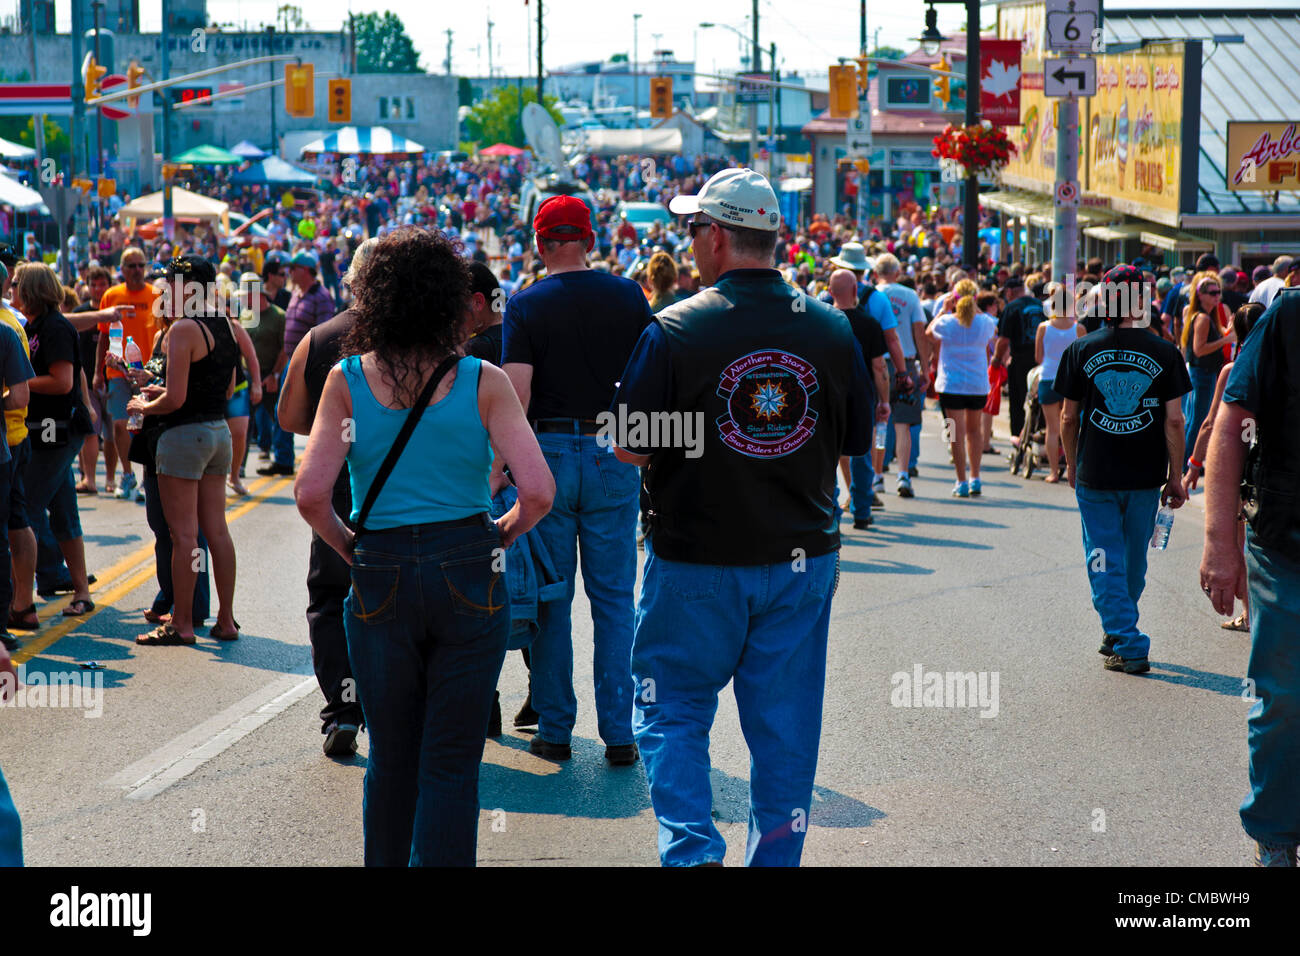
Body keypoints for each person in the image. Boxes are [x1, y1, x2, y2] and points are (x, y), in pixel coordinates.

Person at [612, 167, 873, 866]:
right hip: (800, 557)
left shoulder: (673, 328)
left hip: (695, 556)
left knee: (671, 714)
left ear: (719, 237)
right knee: (786, 736)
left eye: (695, 229)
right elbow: (853, 445)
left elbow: (629, 443)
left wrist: (695, 432)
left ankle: (693, 854)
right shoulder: (830, 329)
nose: (691, 242)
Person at [293, 226, 553, 866]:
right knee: (452, 760)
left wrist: (351, 547)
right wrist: (500, 533)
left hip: (380, 563)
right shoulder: (482, 380)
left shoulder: (348, 379)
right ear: (448, 298)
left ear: (374, 298)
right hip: (468, 560)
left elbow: (310, 494)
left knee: (392, 753)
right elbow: (539, 491)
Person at [501, 195, 650, 765]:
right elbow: (647, 377)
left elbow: (517, 395)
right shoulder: (629, 295)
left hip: (550, 452)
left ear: (541, 244)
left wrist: (501, 467)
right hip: (615, 446)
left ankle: (556, 727)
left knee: (553, 597)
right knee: (614, 601)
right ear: (590, 240)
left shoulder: (527, 304)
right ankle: (620, 733)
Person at [1200, 288, 1300, 866]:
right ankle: (1277, 836)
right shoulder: (1288, 318)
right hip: (1288, 541)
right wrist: (1220, 543)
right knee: (1287, 695)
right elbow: (1232, 423)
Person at [1054, 265, 1191, 674]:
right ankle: (1120, 629)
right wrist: (1175, 474)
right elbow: (1175, 420)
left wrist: (1070, 461)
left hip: (1096, 470)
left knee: (1102, 557)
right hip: (1145, 474)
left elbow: (1066, 417)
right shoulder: (1166, 351)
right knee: (1132, 561)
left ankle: (1126, 640)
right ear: (1143, 302)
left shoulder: (1080, 350)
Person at [277, 237, 377, 758]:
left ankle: (342, 708)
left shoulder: (319, 338)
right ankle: (393, 708)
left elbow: (290, 419)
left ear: (351, 281)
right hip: (404, 488)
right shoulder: (420, 339)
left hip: (338, 486)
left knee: (331, 597)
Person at [127, 256, 240, 646]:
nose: (165, 291)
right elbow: (224, 390)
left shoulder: (183, 329)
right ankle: (226, 620)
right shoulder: (227, 323)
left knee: (184, 537)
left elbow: (174, 400)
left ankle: (183, 624)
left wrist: (145, 404)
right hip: (217, 433)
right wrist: (167, 395)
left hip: (184, 438)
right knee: (217, 531)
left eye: (171, 284)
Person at [10, 263, 96, 618]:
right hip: (47, 428)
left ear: (32, 289)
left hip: (57, 428)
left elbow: (63, 382)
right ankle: (81, 591)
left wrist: (16, 383)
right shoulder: (35, 326)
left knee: (25, 511)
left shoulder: (56, 327)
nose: (11, 288)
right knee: (63, 513)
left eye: (16, 283)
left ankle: (21, 602)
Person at [1184, 302, 1264, 633]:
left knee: (1241, 538)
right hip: (1271, 469)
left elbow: (1209, 425)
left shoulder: (1233, 370)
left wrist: (1193, 466)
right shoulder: (1279, 366)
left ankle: (1249, 614)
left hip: (1238, 469)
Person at [261, 251, 334, 477]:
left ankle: (315, 461)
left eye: (293, 269)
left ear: (305, 270)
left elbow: (325, 332)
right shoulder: (296, 293)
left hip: (308, 362)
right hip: (290, 360)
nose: (289, 273)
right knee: (282, 409)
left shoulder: (320, 296)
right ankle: (283, 459)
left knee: (308, 412)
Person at [96, 247, 159, 502]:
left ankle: (147, 476)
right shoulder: (112, 295)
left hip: (148, 372)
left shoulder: (156, 294)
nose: (137, 270)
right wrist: (98, 372)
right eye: (131, 265)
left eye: (140, 265)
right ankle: (127, 474)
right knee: (121, 425)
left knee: (145, 426)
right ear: (122, 269)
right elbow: (102, 334)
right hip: (118, 371)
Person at [829, 268, 890, 529]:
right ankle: (862, 511)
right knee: (862, 453)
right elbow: (879, 367)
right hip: (861, 396)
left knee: (827, 456)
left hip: (828, 395)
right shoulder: (869, 324)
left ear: (830, 292)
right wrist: (884, 401)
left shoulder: (822, 321)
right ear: (856, 291)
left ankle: (830, 511)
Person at [927, 279, 997, 497]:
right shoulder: (985, 321)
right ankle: (975, 477)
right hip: (976, 384)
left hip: (951, 385)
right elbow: (991, 333)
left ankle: (961, 480)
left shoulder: (947, 321)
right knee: (974, 432)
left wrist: (944, 309)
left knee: (955, 433)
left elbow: (929, 333)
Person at [874, 253, 932, 496]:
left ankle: (877, 476)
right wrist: (925, 368)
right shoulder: (909, 296)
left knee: (878, 422)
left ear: (877, 273)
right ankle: (903, 475)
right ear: (897, 273)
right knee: (903, 425)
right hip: (905, 364)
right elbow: (920, 332)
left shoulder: (872, 295)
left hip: (878, 364)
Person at [0, 309, 33, 652]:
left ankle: (22, 605)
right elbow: (21, 396)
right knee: (7, 530)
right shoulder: (9, 328)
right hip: (7, 445)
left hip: (10, 441)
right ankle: (12, 615)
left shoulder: (9, 328)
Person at [1180, 271, 1235, 466]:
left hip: (1206, 373)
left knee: (1198, 419)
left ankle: (1189, 460)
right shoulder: (1202, 318)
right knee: (1198, 421)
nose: (1216, 296)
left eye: (1218, 292)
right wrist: (1226, 339)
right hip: (1201, 374)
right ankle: (1187, 463)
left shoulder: (1208, 317)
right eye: (1212, 292)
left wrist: (1227, 332)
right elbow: (1199, 349)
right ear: (1200, 295)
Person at [74, 266, 117, 495]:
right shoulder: (80, 313)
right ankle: (89, 478)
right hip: (86, 380)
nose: (98, 289)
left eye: (102, 284)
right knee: (90, 430)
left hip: (112, 380)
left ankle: (110, 478)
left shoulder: (115, 314)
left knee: (112, 433)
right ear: (87, 286)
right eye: (94, 284)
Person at [1034, 295, 1085, 484]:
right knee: (1073, 424)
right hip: (1072, 381)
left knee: (1052, 427)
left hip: (1048, 377)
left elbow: (1038, 357)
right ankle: (1075, 466)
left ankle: (1054, 472)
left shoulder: (1043, 327)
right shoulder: (1079, 329)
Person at [238, 271, 287, 465]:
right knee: (243, 423)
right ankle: (239, 468)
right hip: (248, 376)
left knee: (281, 417)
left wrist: (275, 374)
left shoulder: (278, 316)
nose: (244, 299)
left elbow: (285, 349)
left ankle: (284, 460)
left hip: (271, 375)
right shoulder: (245, 315)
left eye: (247, 295)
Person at [994, 273, 1046, 440]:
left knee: (1018, 402)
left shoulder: (1011, 308)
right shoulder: (1040, 305)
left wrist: (996, 359)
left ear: (1009, 292)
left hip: (1019, 360)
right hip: (1040, 360)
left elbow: (1003, 340)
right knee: (1038, 401)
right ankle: (1038, 433)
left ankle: (1018, 438)